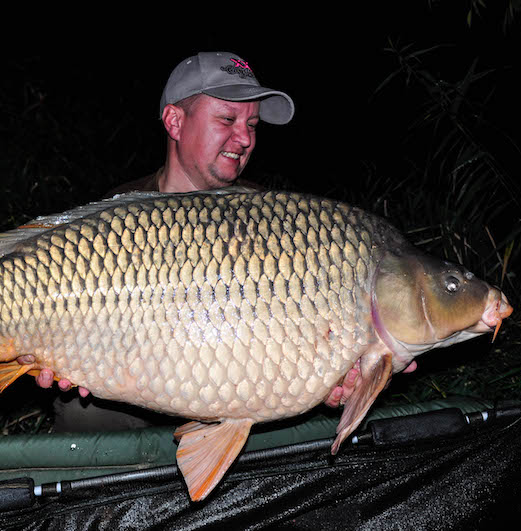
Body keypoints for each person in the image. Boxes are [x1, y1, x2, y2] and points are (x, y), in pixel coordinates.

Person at [31, 51, 382, 429]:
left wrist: (325, 380)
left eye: (253, 124)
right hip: (131, 383)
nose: (244, 137)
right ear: (175, 121)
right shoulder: (114, 220)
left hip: (232, 383)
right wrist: (44, 349)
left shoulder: (278, 222)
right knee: (80, 408)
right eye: (227, 119)